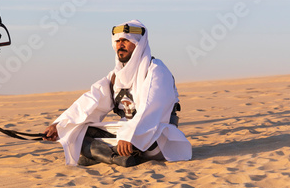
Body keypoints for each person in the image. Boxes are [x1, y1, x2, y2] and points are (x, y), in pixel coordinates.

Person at [42, 20, 192, 167]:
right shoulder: (115, 76)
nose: (120, 44)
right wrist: (59, 125)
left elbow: (151, 108)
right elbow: (91, 100)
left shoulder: (156, 70)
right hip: (125, 133)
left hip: (156, 136)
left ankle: (101, 155)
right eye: (118, 41)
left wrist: (130, 135)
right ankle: (116, 157)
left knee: (143, 139)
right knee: (76, 130)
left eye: (126, 40)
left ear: (139, 44)